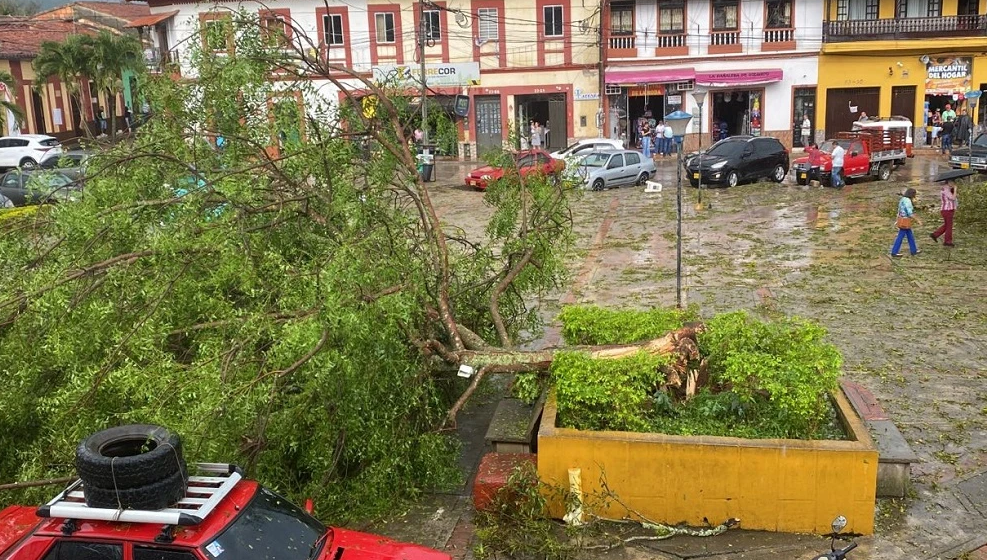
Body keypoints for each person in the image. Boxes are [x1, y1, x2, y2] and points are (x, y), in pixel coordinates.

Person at [891, 188, 921, 257]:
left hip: (902, 219)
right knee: (900, 237)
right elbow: (910, 213)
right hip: (905, 221)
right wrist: (917, 220)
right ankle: (894, 251)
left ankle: (913, 250)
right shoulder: (907, 201)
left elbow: (899, 210)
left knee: (910, 236)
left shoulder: (903, 199)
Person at [930, 177, 959, 247]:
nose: (953, 184)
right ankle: (948, 241)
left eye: (953, 182)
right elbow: (953, 198)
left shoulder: (948, 188)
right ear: (948, 182)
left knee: (947, 225)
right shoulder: (946, 189)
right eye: (951, 182)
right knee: (949, 226)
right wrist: (955, 190)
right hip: (947, 210)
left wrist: (954, 190)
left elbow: (955, 198)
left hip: (949, 209)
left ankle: (935, 234)